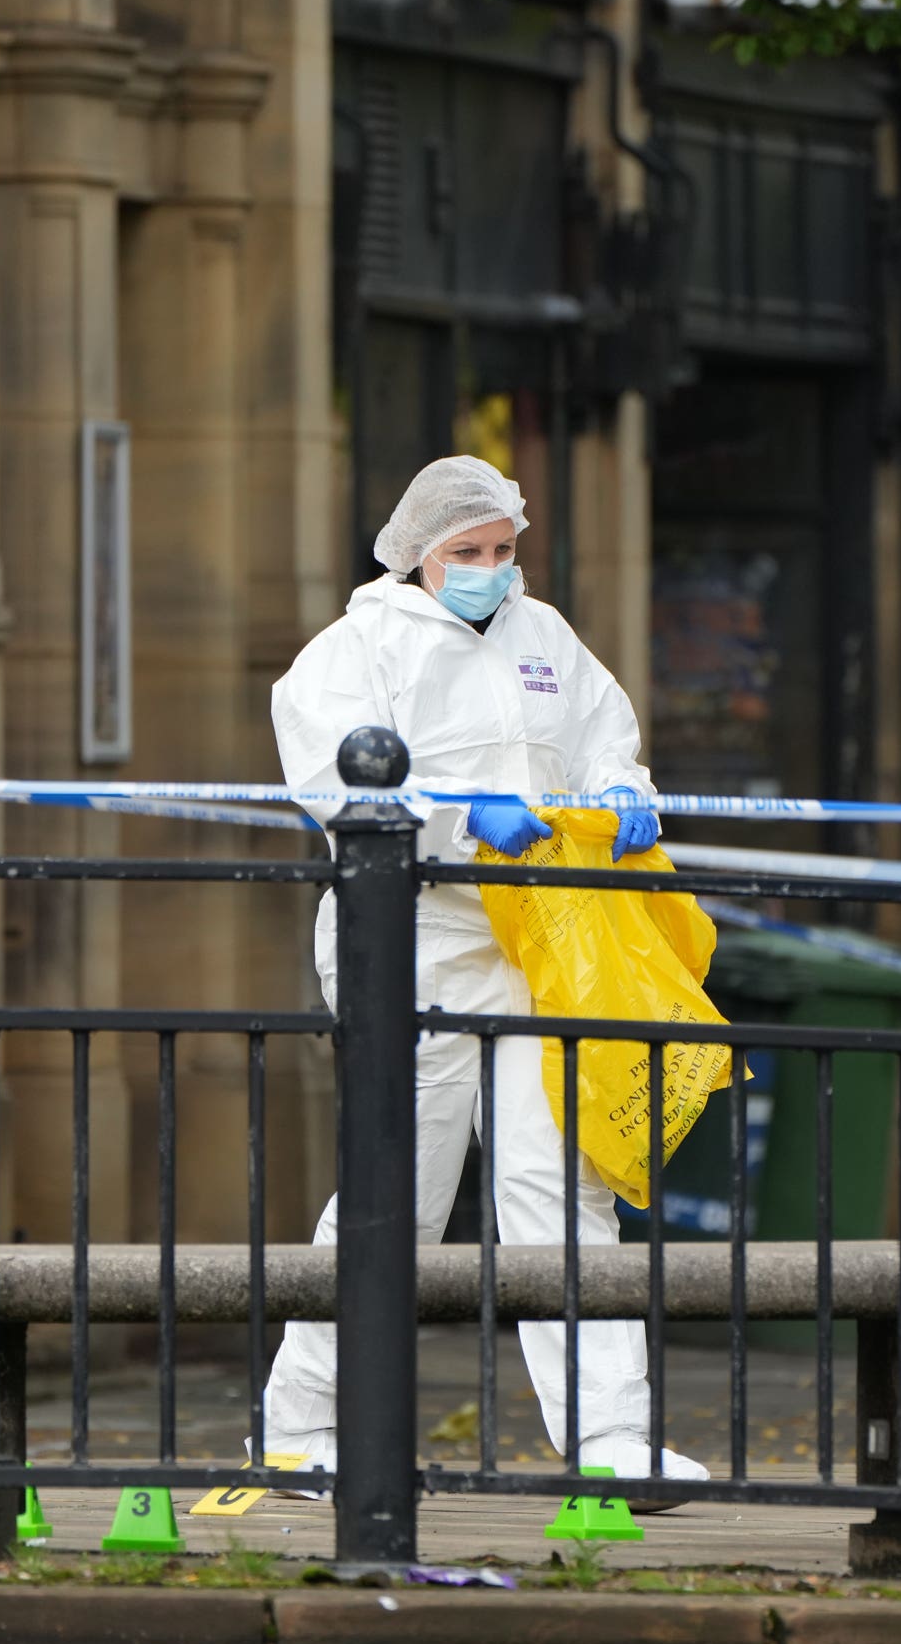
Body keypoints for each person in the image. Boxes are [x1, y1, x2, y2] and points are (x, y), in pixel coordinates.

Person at [260, 454, 708, 1491]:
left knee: (559, 1181)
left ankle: (610, 1440)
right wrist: (463, 814)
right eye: (469, 552)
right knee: (395, 1190)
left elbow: (606, 736)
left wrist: (620, 792)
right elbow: (331, 774)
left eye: (504, 550)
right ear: (419, 553)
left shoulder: (544, 635)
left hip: (540, 939)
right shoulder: (360, 646)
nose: (491, 569)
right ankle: (302, 1420)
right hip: (413, 934)